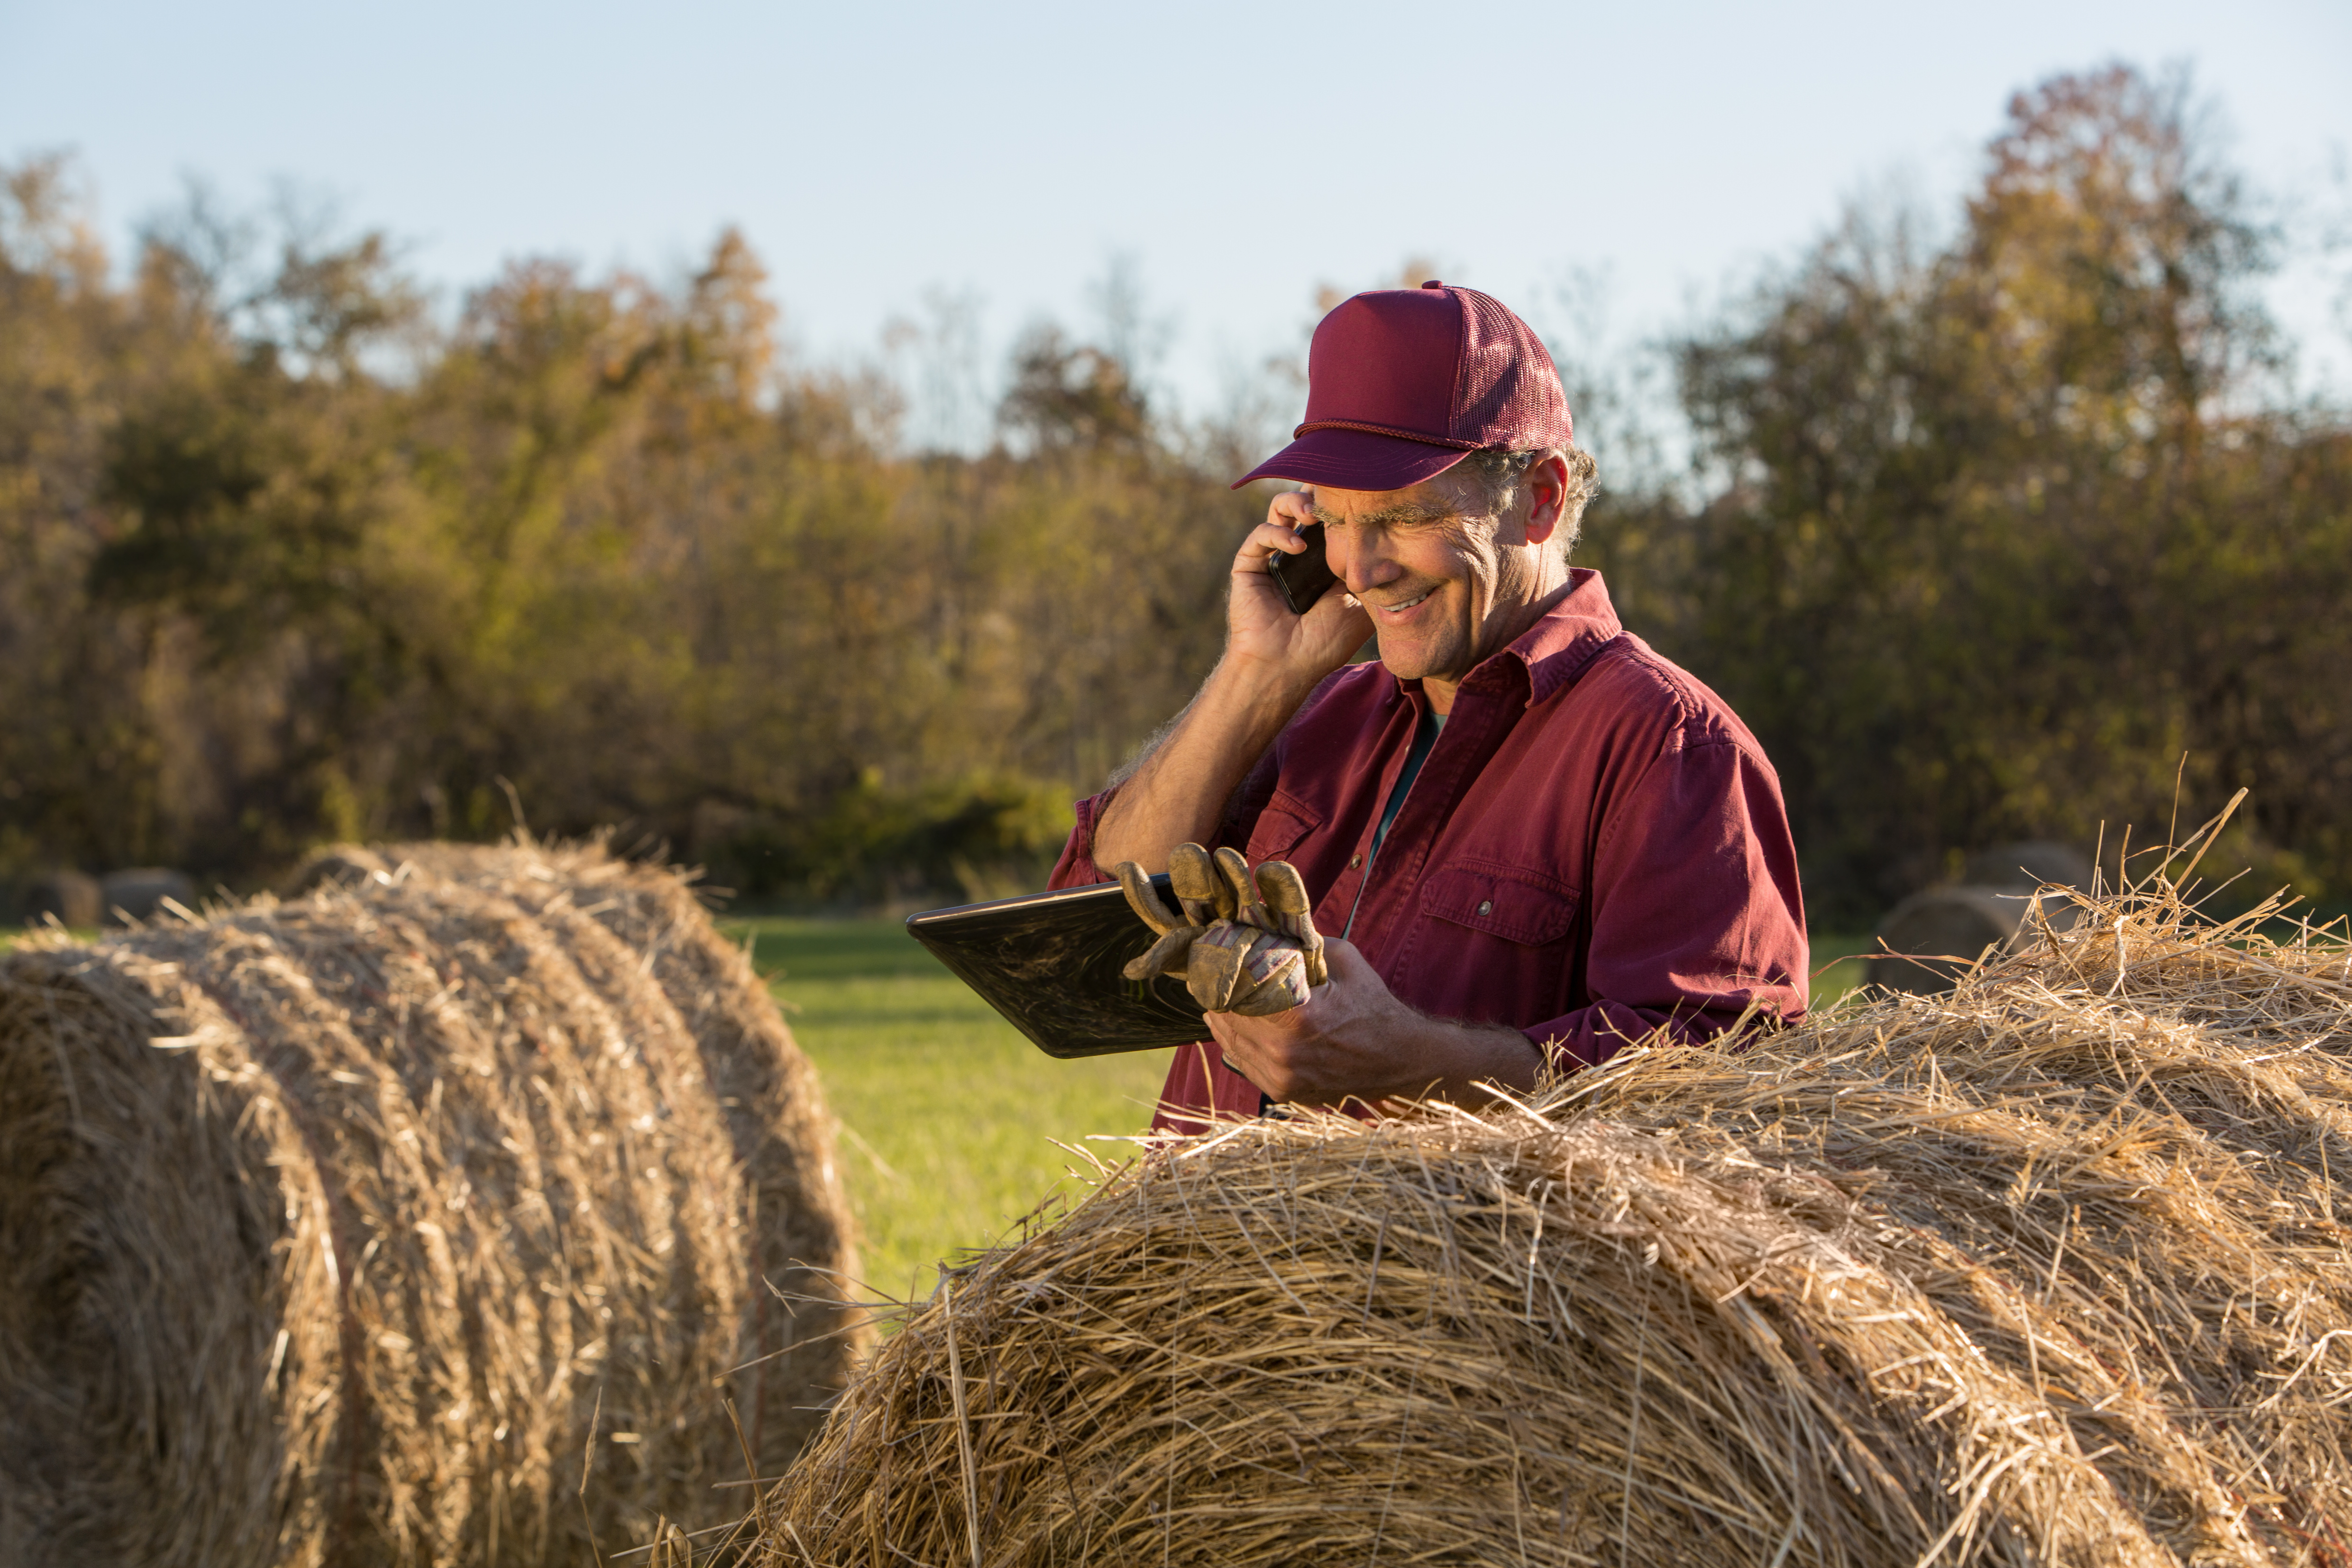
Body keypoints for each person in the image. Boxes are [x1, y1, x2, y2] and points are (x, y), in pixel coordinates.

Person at [1046, 281, 1808, 1132]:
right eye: (1335, 519)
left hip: (1458, 1267)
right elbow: (1087, 941)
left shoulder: (1666, 744)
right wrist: (1255, 674)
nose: (1361, 569)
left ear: (1541, 498)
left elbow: (1728, 1080)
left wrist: (1415, 1065)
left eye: (1405, 515)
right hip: (1220, 1260)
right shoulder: (1312, 714)